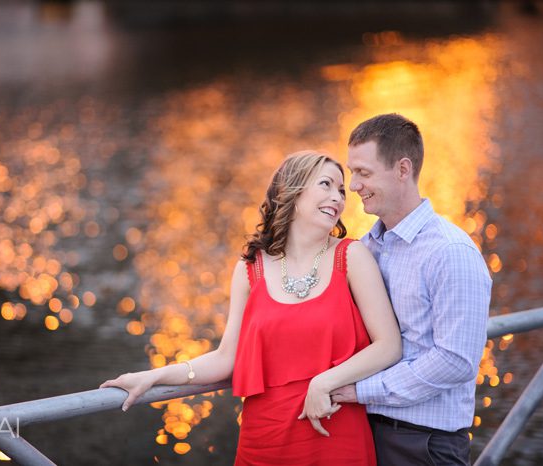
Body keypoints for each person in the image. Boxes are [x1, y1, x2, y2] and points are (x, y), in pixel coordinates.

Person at [100, 150, 402, 465]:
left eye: (341, 190)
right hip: (265, 441)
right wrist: (153, 377)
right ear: (292, 193)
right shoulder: (250, 269)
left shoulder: (352, 256)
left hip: (335, 434)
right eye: (326, 185)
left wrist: (323, 382)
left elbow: (389, 346)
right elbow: (226, 358)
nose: (338, 198)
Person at [331, 114, 492, 466]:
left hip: (425, 446)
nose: (353, 185)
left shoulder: (451, 252)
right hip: (365, 431)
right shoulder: (367, 248)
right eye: (352, 172)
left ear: (403, 169)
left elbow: (455, 361)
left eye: (364, 173)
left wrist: (360, 392)